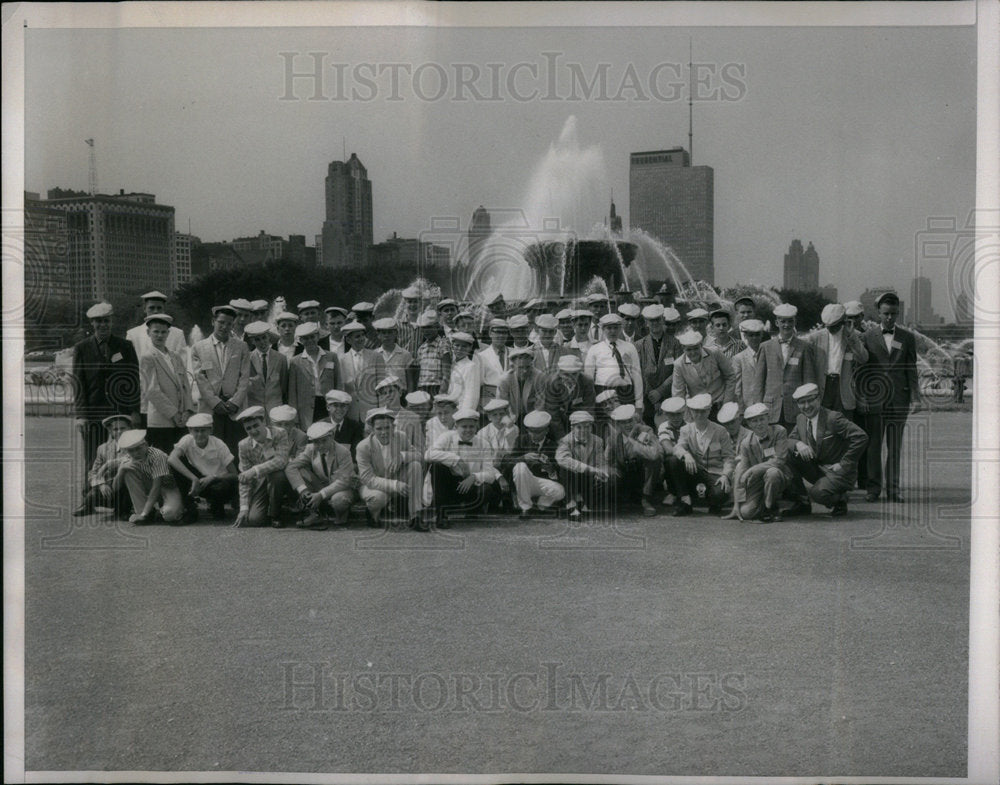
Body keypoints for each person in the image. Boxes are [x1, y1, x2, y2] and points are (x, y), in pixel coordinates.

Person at [856, 291, 921, 503]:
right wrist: (863, 397)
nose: (889, 317)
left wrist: (916, 397)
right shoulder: (867, 337)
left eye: (893, 313)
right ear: (878, 313)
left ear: (898, 313)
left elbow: (911, 368)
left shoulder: (907, 337)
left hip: (899, 400)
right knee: (873, 446)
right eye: (885, 313)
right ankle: (873, 489)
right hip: (875, 400)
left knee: (895, 447)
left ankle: (893, 489)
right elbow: (861, 371)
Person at [73, 302, 141, 482]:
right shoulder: (82, 348)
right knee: (92, 457)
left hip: (120, 412)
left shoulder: (125, 346)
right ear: (92, 324)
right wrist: (81, 415)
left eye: (106, 321)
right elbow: (78, 383)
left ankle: (124, 502)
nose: (103, 325)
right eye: (98, 321)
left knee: (125, 455)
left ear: (111, 322)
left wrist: (134, 411)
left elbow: (133, 379)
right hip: (94, 412)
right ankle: (89, 498)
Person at [786, 383, 868, 516]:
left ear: (818, 399)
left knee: (817, 494)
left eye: (810, 401)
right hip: (817, 468)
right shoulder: (801, 418)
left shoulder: (833, 418)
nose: (806, 406)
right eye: (802, 403)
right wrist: (798, 444)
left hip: (837, 471)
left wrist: (844, 463)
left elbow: (860, 437)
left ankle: (840, 500)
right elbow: (789, 440)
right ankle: (802, 503)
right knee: (788, 455)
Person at [190, 304, 251, 457]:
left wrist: (235, 402)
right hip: (211, 408)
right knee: (212, 450)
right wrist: (215, 402)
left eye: (229, 324)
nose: (225, 327)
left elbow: (244, 378)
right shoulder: (198, 347)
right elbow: (200, 378)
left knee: (235, 448)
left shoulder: (241, 347)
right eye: (221, 322)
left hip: (234, 409)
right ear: (213, 321)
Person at [425, 407, 502, 526]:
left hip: (470, 484)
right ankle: (442, 515)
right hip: (449, 483)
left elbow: (490, 474)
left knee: (486, 489)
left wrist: (473, 477)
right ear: (456, 426)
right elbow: (429, 454)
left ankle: (471, 510)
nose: (468, 430)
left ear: (476, 426)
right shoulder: (447, 437)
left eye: (471, 426)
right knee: (437, 467)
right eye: (464, 427)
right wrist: (457, 460)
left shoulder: (483, 443)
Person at [664, 393, 734, 516]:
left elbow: (728, 457)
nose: (699, 415)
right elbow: (678, 447)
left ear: (709, 411)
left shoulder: (720, 431)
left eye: (703, 411)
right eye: (696, 411)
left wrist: (725, 475)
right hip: (696, 470)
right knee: (673, 460)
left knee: (720, 494)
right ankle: (685, 501)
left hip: (714, 472)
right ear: (690, 412)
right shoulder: (686, 429)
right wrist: (686, 454)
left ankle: (713, 502)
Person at [356, 408, 426, 530]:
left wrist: (402, 456)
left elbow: (419, 456)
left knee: (415, 466)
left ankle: (415, 515)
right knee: (377, 499)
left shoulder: (401, 437)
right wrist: (395, 485)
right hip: (372, 485)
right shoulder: (363, 446)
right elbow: (368, 479)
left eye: (387, 427)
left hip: (394, 476)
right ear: (372, 430)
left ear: (393, 427)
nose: (384, 432)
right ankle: (373, 513)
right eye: (379, 429)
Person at [125, 290, 187, 426]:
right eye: (151, 308)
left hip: (172, 400)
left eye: (159, 308)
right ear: (144, 308)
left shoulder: (177, 334)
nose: (155, 311)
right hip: (144, 399)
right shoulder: (133, 334)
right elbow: (132, 370)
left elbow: (182, 372)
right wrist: (133, 407)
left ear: (164, 309)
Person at [755, 303, 819, 431]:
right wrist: (758, 407)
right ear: (776, 322)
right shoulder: (765, 347)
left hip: (796, 408)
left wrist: (809, 406)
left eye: (790, 321)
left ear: (795, 322)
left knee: (794, 443)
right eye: (783, 321)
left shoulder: (804, 347)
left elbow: (809, 381)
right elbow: (759, 381)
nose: (786, 325)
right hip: (771, 408)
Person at [285, 420, 357, 529]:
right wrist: (303, 491)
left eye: (324, 441)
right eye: (316, 442)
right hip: (323, 486)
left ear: (332, 436)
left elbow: (344, 481)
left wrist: (321, 494)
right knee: (301, 469)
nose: (320, 445)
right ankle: (315, 513)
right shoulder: (310, 449)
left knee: (339, 500)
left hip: (343, 488)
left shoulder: (343, 452)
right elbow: (291, 467)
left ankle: (342, 513)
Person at [727, 402, 792, 523]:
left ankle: (771, 508)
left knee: (772, 473)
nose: (759, 424)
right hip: (758, 481)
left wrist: (753, 469)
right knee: (746, 513)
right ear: (749, 424)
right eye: (754, 421)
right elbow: (741, 471)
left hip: (779, 476)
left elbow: (779, 460)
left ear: (768, 418)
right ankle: (765, 501)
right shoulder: (746, 443)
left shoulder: (779, 431)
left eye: (762, 419)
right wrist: (737, 504)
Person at [167, 412, 238, 522]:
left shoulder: (219, 444)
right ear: (190, 431)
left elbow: (234, 475)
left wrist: (214, 477)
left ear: (211, 430)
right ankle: (190, 508)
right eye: (196, 431)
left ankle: (216, 505)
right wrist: (193, 478)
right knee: (176, 466)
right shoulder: (187, 439)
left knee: (221, 488)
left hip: (218, 482)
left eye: (203, 430)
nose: (199, 434)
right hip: (199, 480)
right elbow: (172, 458)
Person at [139, 313, 194, 453]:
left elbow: (185, 385)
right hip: (161, 420)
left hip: (181, 419)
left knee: (180, 458)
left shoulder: (175, 356)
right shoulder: (147, 357)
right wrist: (174, 414)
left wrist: (187, 410)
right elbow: (152, 391)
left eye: (163, 332)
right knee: (162, 460)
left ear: (168, 333)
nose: (160, 335)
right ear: (148, 332)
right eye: (156, 332)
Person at [805, 303, 869, 419]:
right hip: (823, 387)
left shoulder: (855, 336)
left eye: (834, 326)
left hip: (843, 388)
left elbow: (863, 359)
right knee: (822, 428)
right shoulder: (815, 338)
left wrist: (851, 336)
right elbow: (808, 368)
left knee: (844, 427)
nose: (830, 329)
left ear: (843, 321)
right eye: (827, 326)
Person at [233, 406, 292, 528]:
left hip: (281, 479)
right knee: (254, 520)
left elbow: (281, 461)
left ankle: (276, 514)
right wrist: (244, 508)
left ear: (264, 422)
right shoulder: (243, 445)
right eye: (248, 428)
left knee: (277, 476)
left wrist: (254, 470)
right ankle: (270, 507)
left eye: (256, 425)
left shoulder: (279, 433)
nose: (253, 431)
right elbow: (244, 479)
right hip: (260, 483)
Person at [503, 410, 565, 518]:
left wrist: (551, 470)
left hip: (540, 483)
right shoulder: (521, 440)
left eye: (538, 431)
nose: (534, 435)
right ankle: (526, 508)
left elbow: (558, 473)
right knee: (520, 467)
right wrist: (523, 458)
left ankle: (538, 504)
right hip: (523, 481)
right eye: (531, 431)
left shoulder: (553, 445)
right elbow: (507, 462)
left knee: (560, 492)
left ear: (546, 430)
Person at [114, 429, 185, 524]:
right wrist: (121, 470)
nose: (135, 453)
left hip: (168, 487)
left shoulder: (157, 455)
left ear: (146, 444)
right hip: (150, 486)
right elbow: (115, 487)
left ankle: (148, 513)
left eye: (138, 448)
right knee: (127, 472)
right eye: (131, 450)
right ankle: (145, 512)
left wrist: (144, 514)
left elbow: (156, 487)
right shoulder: (127, 458)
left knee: (170, 515)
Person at [605, 404, 663, 517]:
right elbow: (606, 460)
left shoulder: (646, 431)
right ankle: (620, 499)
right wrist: (612, 470)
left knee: (654, 461)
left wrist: (632, 440)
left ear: (635, 420)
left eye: (630, 421)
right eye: (623, 422)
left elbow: (654, 454)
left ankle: (646, 499)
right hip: (625, 474)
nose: (627, 425)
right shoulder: (613, 438)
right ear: (617, 424)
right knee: (611, 473)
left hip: (643, 474)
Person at [72, 414, 133, 518]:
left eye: (123, 428)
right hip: (109, 487)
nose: (119, 431)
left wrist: (113, 463)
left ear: (130, 429)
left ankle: (125, 509)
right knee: (91, 492)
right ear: (110, 432)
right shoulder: (103, 448)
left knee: (124, 498)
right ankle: (88, 505)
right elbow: (93, 472)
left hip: (128, 488)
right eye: (115, 429)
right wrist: (101, 484)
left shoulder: (137, 446)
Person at [555, 410, 610, 520]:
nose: (583, 430)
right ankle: (571, 505)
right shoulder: (565, 441)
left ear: (591, 427)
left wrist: (603, 472)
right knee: (565, 469)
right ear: (572, 429)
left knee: (607, 478)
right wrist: (589, 469)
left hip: (587, 478)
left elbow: (601, 462)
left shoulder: (597, 441)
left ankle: (586, 505)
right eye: (579, 427)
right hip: (571, 478)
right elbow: (561, 459)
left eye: (587, 427)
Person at [584, 313, 644, 411]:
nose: (613, 331)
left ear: (620, 329)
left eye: (616, 328)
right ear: (603, 329)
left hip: (626, 393)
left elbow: (637, 376)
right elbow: (588, 379)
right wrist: (590, 404)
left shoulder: (629, 347)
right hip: (603, 391)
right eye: (609, 328)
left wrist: (639, 403)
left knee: (626, 421)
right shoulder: (595, 349)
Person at [670, 330, 736, 418]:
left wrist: (727, 402)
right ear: (683, 349)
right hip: (699, 410)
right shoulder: (679, 364)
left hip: (721, 401)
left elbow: (730, 376)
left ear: (701, 345)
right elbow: (678, 394)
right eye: (689, 350)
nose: (693, 353)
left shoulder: (714, 352)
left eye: (696, 348)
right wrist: (687, 418)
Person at [636, 304, 682, 427]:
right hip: (647, 400)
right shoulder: (639, 345)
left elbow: (678, 370)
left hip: (669, 397)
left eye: (657, 319)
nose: (655, 323)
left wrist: (660, 392)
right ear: (646, 323)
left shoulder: (675, 343)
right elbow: (638, 372)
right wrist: (652, 394)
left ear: (662, 320)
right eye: (651, 320)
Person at [286, 322, 339, 430]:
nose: (309, 341)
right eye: (305, 338)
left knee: (329, 433)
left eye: (312, 337)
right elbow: (292, 392)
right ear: (300, 341)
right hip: (306, 409)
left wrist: (338, 406)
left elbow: (338, 383)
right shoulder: (295, 361)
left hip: (328, 404)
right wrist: (294, 417)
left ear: (318, 337)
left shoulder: (331, 357)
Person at [542, 353, 597, 441]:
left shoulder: (587, 381)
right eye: (566, 374)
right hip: (559, 422)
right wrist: (562, 439)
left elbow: (588, 408)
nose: (570, 378)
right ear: (559, 372)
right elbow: (553, 413)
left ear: (580, 372)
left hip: (580, 421)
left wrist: (581, 433)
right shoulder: (552, 383)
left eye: (574, 374)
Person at [244, 321, 289, 414]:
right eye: (257, 339)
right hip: (255, 408)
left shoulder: (281, 358)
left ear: (269, 336)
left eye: (264, 337)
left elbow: (283, 386)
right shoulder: (247, 359)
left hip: (276, 408)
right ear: (252, 341)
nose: (262, 342)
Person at [498, 346, 547, 426]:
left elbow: (540, 404)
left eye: (528, 367)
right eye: (520, 367)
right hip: (511, 416)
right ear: (512, 367)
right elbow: (502, 404)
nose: (525, 371)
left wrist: (534, 421)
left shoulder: (539, 377)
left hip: (533, 414)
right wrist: (509, 420)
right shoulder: (504, 379)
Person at [656, 396, 688, 507]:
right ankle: (674, 493)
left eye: (679, 414)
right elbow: (668, 448)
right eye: (671, 414)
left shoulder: (689, 425)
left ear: (683, 413)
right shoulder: (664, 426)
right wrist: (684, 454)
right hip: (675, 461)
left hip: (690, 461)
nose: (675, 418)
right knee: (672, 460)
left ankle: (687, 492)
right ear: (666, 415)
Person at [732, 319, 766, 412]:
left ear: (762, 334)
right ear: (745, 336)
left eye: (757, 334)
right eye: (751, 335)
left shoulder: (769, 354)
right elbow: (737, 388)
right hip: (748, 405)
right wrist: (740, 409)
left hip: (767, 403)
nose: (754, 338)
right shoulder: (739, 358)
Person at [415, 310, 452, 397]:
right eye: (423, 328)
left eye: (429, 327)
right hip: (423, 387)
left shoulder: (443, 344)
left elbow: (446, 372)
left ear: (436, 327)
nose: (426, 331)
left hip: (437, 387)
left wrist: (443, 391)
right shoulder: (422, 348)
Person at [373, 317, 415, 391]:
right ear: (378, 335)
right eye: (383, 333)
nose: (387, 336)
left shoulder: (405, 354)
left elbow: (410, 381)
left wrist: (409, 397)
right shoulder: (374, 354)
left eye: (390, 332)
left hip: (401, 395)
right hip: (381, 395)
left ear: (396, 333)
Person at [475, 318, 510, 406]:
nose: (501, 335)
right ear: (490, 333)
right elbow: (479, 384)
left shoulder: (514, 354)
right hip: (490, 401)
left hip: (511, 401)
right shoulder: (481, 356)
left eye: (504, 332)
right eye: (497, 332)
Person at [447, 331, 482, 412]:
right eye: (457, 345)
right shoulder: (452, 364)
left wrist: (465, 413)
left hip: (461, 409)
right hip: (449, 409)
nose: (459, 349)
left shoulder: (470, 366)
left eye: (464, 346)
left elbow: (472, 394)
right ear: (452, 346)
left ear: (470, 348)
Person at [395, 390, 433, 456]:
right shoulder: (403, 422)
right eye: (415, 409)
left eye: (423, 409)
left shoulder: (433, 421)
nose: (420, 412)